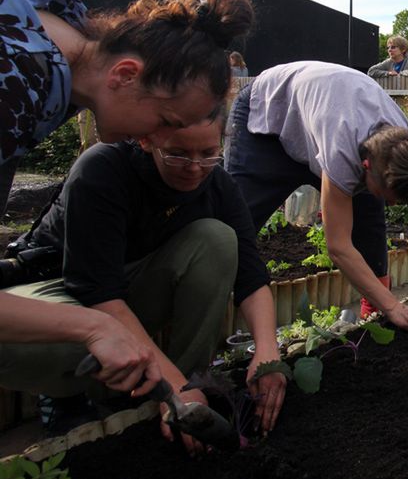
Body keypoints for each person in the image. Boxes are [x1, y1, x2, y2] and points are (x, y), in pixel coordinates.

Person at [0, 0, 253, 395]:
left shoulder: (56, 44)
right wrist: (94, 327)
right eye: (166, 122)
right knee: (84, 345)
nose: (155, 136)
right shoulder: (14, 83)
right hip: (54, 280)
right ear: (125, 74)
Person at [7, 113, 284, 447]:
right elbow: (100, 294)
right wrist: (175, 389)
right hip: (63, 292)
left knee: (218, 239)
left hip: (122, 298)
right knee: (49, 348)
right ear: (146, 139)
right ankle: (66, 393)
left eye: (208, 153)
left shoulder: (218, 185)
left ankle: (187, 384)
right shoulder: (103, 169)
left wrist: (267, 355)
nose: (195, 167)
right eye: (178, 153)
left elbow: (252, 277)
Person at [226, 61, 408, 333]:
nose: (394, 205)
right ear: (368, 166)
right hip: (268, 117)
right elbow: (337, 246)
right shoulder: (342, 153)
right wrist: (394, 306)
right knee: (234, 226)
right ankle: (218, 326)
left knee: (370, 220)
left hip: (328, 114)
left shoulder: (403, 151)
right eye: (390, 196)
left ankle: (374, 317)